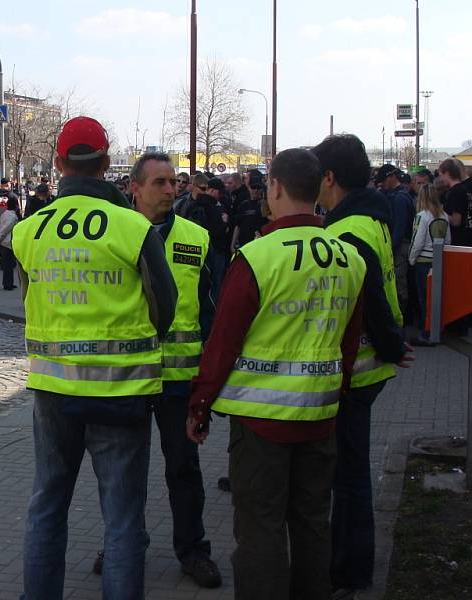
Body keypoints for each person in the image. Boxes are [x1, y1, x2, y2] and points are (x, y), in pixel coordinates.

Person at [187, 148, 366, 600]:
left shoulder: (257, 257)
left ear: (277, 188)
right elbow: (349, 340)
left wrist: (200, 406)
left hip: (262, 423)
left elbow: (223, 343)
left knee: (261, 531)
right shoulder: (350, 258)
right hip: (321, 414)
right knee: (311, 524)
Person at [13, 116, 177, 600]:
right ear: (107, 164)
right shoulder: (134, 227)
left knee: (47, 505)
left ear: (59, 163)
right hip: (120, 393)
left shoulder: (28, 230)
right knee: (123, 520)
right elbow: (163, 308)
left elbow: (28, 298)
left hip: (53, 392)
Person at [312, 134, 413, 598]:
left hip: (358, 369)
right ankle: (351, 566)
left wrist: (393, 345)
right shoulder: (370, 218)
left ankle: (350, 571)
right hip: (370, 366)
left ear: (329, 178)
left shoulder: (347, 232)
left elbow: (370, 293)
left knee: (349, 478)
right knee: (351, 473)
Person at [119, 151, 221, 588]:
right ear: (135, 189)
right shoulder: (116, 236)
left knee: (184, 469)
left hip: (180, 382)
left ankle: (193, 551)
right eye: (159, 182)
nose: (169, 190)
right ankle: (123, 546)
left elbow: (212, 313)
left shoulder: (196, 237)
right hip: (129, 379)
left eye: (173, 182)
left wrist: (207, 385)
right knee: (125, 473)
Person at [408, 184, 450, 345]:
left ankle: (427, 333)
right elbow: (448, 241)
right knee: (437, 297)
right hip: (439, 261)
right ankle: (437, 329)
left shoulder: (421, 216)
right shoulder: (444, 215)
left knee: (424, 299)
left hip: (423, 262)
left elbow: (417, 241)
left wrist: (412, 259)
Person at [375, 164, 415, 322]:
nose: (381, 184)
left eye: (383, 180)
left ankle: (399, 319)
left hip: (399, 247)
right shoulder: (401, 196)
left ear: (392, 177)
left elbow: (398, 229)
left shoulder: (398, 199)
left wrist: (389, 248)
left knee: (399, 285)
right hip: (400, 244)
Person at [0, 195, 20, 290]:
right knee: (9, 265)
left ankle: (9, 283)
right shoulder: (12, 217)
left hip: (4, 242)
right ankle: (7, 284)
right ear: (15, 206)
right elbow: (4, 229)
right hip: (7, 243)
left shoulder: (5, 214)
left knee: (9, 265)